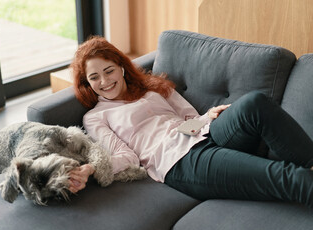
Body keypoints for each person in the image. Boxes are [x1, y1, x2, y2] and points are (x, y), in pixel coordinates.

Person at [67, 36, 313, 208]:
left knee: (255, 103)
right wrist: (93, 168)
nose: (104, 81)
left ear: (121, 68)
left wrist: (208, 116)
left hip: (204, 133)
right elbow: (127, 156)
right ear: (87, 83)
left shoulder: (152, 87)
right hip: (179, 161)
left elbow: (190, 118)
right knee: (291, 178)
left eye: (108, 70)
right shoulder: (96, 116)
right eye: (94, 77)